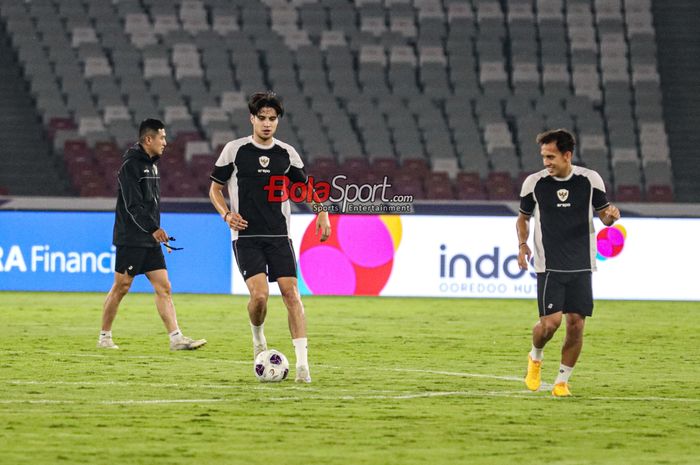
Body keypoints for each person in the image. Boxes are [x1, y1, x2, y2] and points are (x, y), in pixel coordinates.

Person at [208, 91, 331, 383]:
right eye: (261, 118)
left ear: (278, 121)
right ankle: (258, 336)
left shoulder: (286, 154)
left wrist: (322, 212)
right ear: (252, 118)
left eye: (272, 119)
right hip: (246, 236)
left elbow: (305, 188)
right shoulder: (234, 150)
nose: (266, 124)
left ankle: (303, 367)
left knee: (291, 294)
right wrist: (226, 215)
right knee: (260, 297)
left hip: (279, 236)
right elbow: (215, 189)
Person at [516, 129, 620, 397]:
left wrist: (611, 217)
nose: (546, 162)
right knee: (550, 324)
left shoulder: (589, 180)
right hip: (549, 265)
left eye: (551, 157)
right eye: (543, 157)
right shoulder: (534, 183)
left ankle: (561, 382)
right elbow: (523, 217)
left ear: (567, 155)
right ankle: (535, 356)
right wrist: (522, 245)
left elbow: (604, 216)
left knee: (576, 323)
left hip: (582, 264)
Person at [98, 119, 207, 351]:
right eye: (162, 137)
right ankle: (104, 337)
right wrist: (153, 229)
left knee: (164, 286)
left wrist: (155, 232)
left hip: (149, 238)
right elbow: (133, 205)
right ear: (149, 139)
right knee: (121, 286)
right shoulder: (130, 166)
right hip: (131, 237)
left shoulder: (153, 165)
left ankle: (176, 338)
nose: (165, 143)